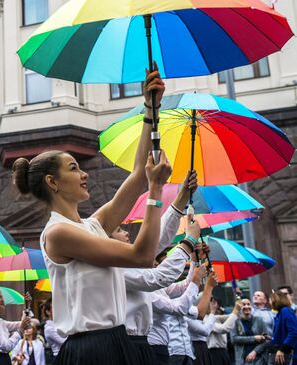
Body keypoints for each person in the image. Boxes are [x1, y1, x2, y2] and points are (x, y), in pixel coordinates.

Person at [12, 65, 170, 365]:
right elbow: (143, 255)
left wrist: (150, 109)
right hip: (92, 351)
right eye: (73, 168)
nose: (84, 174)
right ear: (52, 182)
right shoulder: (58, 234)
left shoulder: (91, 225)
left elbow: (137, 176)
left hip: (116, 341)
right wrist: (157, 189)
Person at [121, 171, 198, 364]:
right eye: (118, 230)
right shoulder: (116, 267)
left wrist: (180, 200)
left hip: (143, 343)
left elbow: (154, 241)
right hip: (131, 344)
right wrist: (188, 241)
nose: (126, 233)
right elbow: (159, 278)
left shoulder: (126, 260)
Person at [146, 254, 203, 365]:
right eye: (155, 261)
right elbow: (180, 308)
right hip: (155, 348)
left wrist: (194, 260)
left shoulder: (158, 286)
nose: (157, 264)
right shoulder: (146, 289)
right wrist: (197, 281)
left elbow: (184, 286)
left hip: (166, 348)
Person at [231, 298, 271, 365]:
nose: (247, 306)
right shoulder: (235, 321)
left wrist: (255, 351)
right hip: (242, 359)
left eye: (248, 304)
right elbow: (233, 339)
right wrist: (254, 338)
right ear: (238, 307)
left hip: (259, 358)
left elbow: (267, 340)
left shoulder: (259, 320)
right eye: (243, 304)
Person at [206, 298, 241, 365]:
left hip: (223, 352)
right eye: (211, 302)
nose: (214, 304)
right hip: (214, 354)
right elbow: (224, 328)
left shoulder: (214, 317)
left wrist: (238, 301)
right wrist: (236, 310)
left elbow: (234, 316)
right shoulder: (205, 319)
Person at [269, 291, 297, 365]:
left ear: (275, 299)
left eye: (270, 299)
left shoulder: (285, 311)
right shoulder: (280, 313)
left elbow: (294, 332)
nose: (269, 302)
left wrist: (282, 349)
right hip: (279, 351)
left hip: (285, 353)